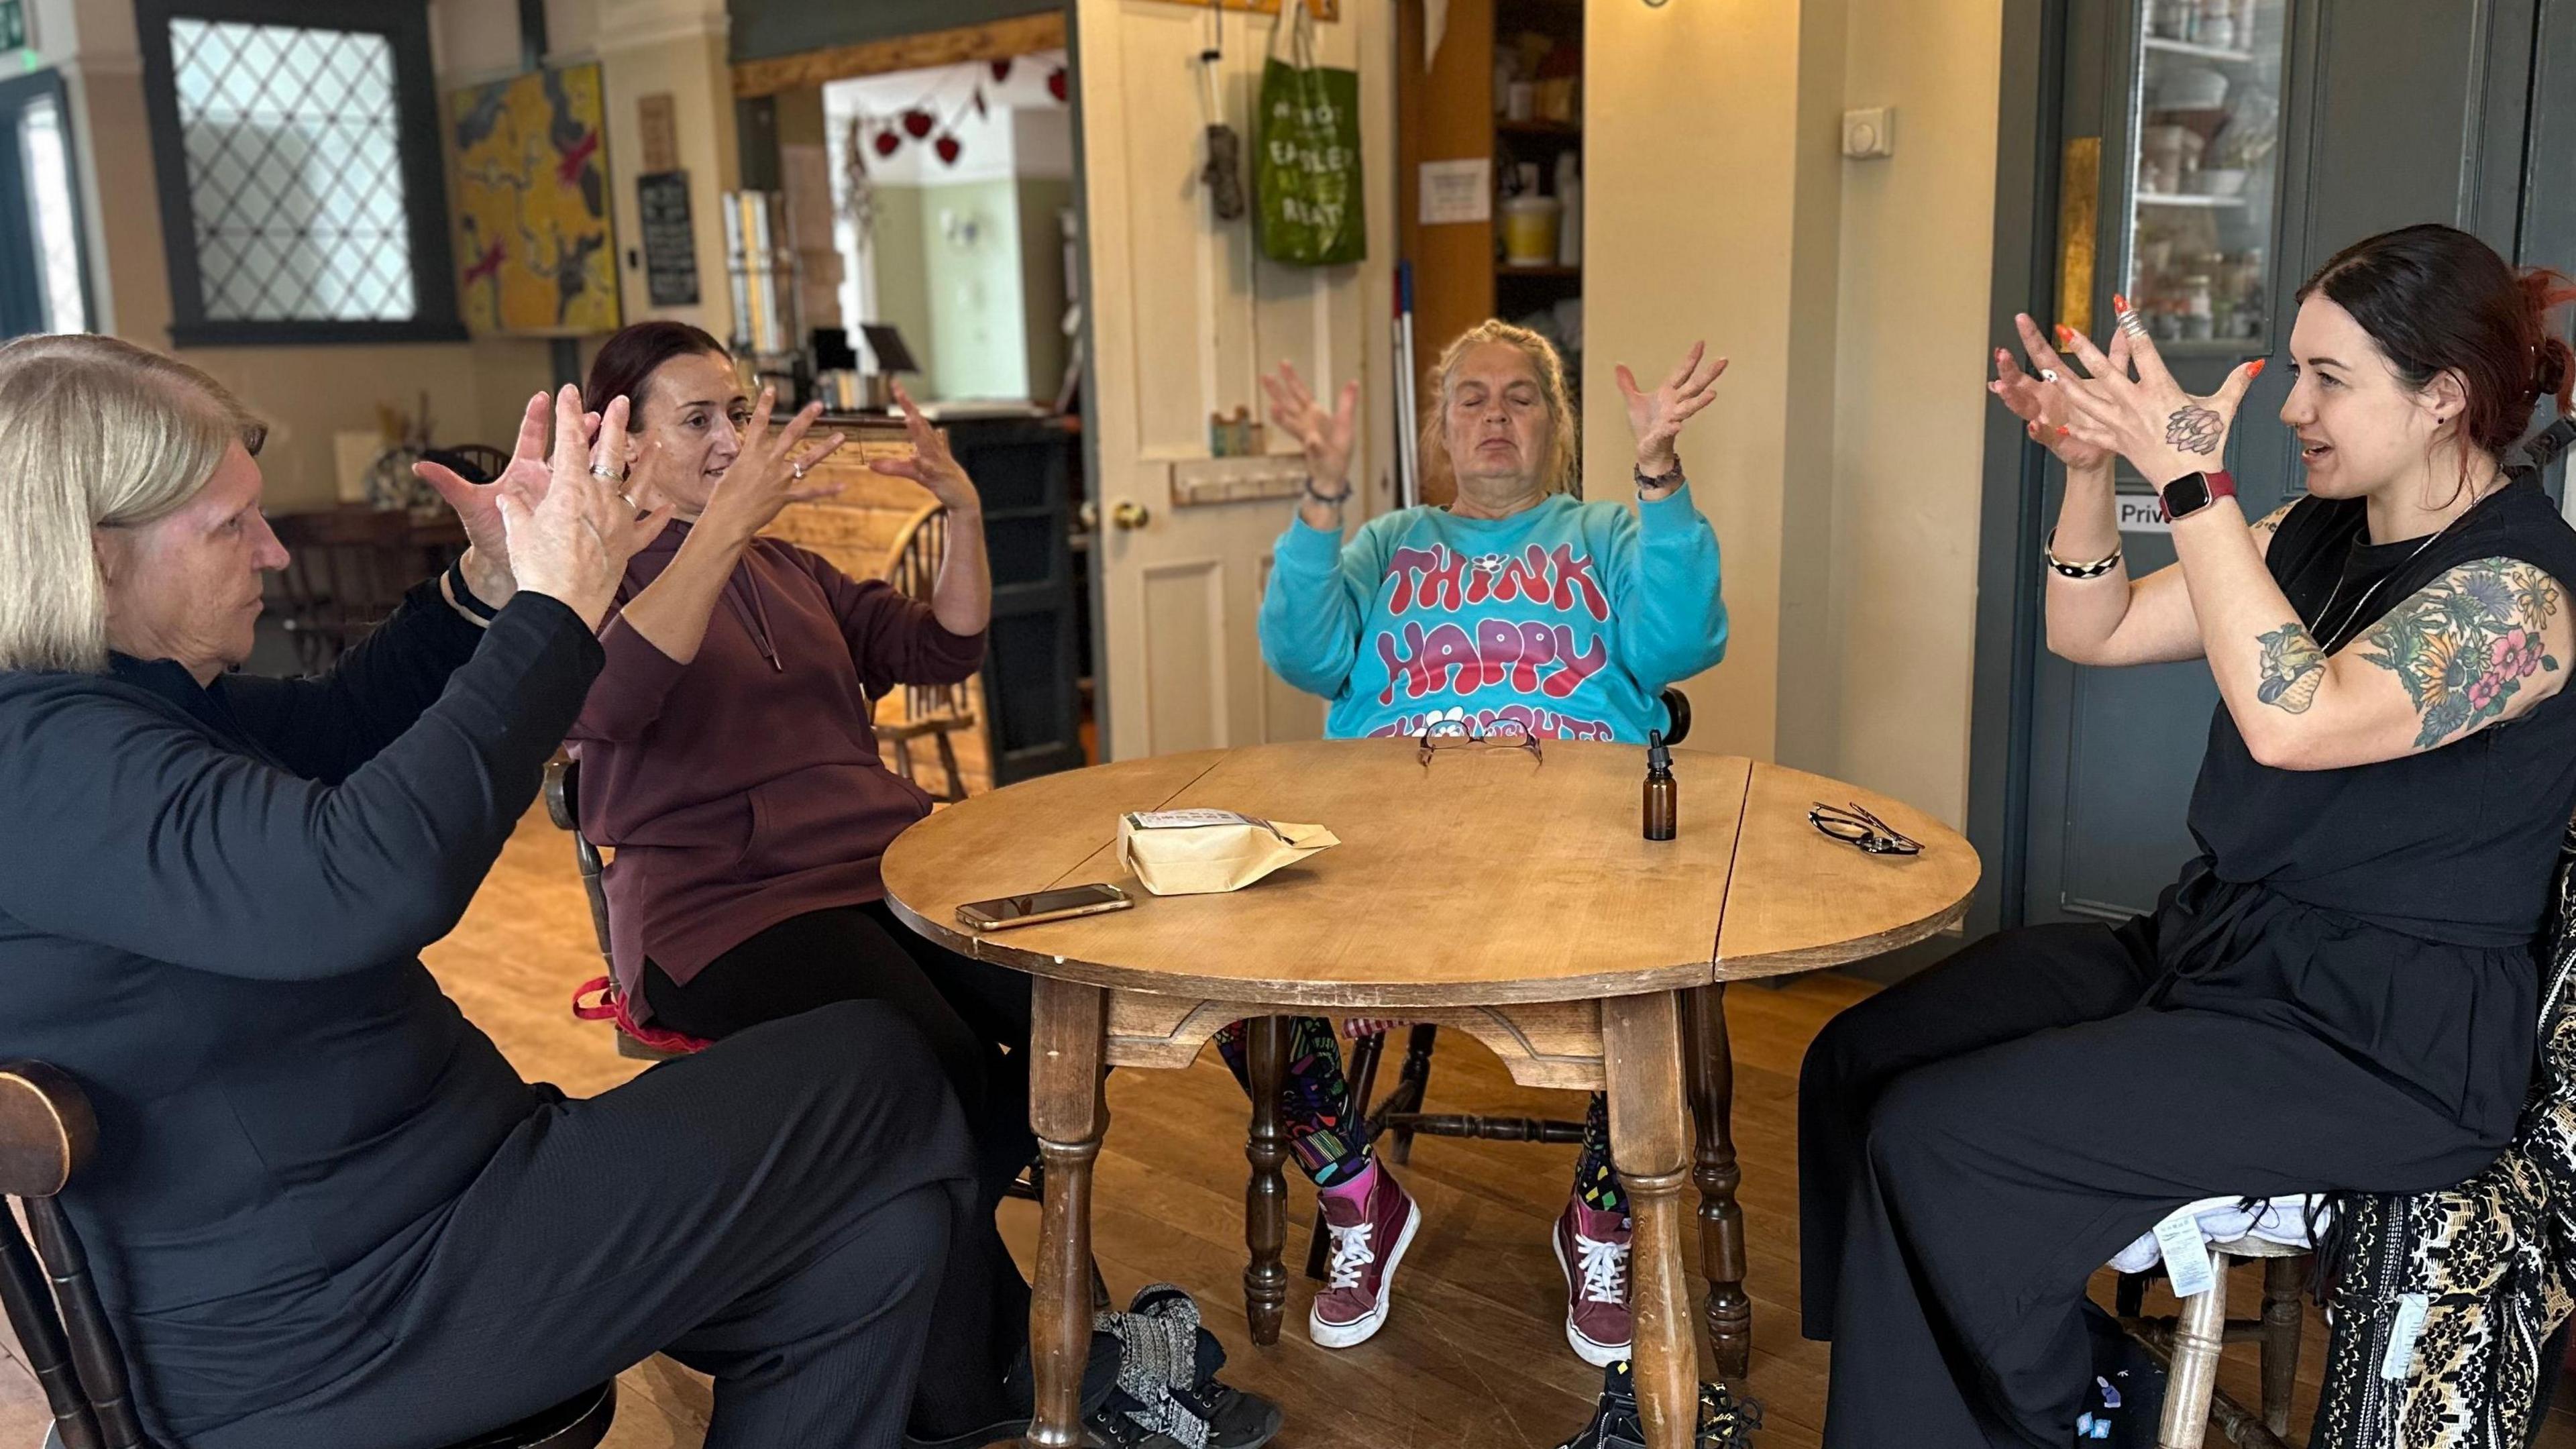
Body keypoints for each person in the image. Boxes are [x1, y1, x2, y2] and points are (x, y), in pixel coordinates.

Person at [0, 335, 980, 1448]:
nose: (271, 552)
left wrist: (489, 586)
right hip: (343, 1316)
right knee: (877, 1061)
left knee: (878, 1242)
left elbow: (335, 729)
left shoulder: (121, 710)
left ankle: (975, 1398)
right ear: (93, 557)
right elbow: (359, 880)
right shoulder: (39, 764)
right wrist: (557, 613)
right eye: (232, 526)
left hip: (439, 1213)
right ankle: (1001, 1399)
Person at [1800, 222, 2576, 1446]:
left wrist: (2194, 486)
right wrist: (2088, 472)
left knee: (1945, 1140)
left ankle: (2071, 1403)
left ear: (2443, 400)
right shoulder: (2314, 533)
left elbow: (2298, 723)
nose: (2295, 410)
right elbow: (2094, 632)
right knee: (1861, 1060)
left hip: (2379, 1031)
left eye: (2330, 380)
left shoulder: (2515, 598)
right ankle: (2015, 1388)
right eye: (2297, 373)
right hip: (2221, 948)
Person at [1240, 319, 1731, 1361]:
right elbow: (1302, 652)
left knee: (1674, 972)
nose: (1496, 414)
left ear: (1556, 427)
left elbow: (1682, 640)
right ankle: (1357, 1195)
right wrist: (1321, 505)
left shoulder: (1604, 537)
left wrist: (1659, 475)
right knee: (1234, 987)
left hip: (1574, 845)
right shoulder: (1386, 546)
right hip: (1389, 846)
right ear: (1441, 429)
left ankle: (1600, 1214)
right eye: (1472, 396)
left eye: (1521, 396)